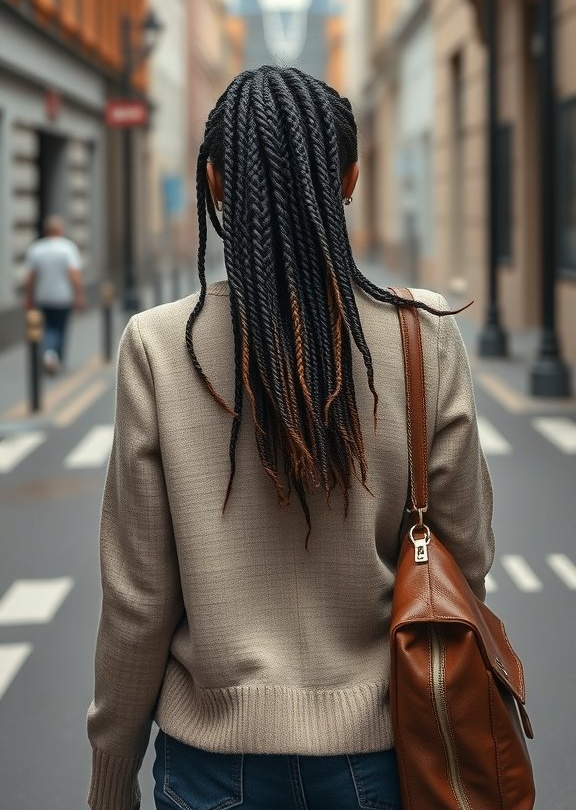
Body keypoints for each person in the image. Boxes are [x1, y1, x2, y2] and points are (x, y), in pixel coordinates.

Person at [87, 67, 494, 810]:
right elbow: (464, 554)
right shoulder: (421, 335)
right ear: (351, 180)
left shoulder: (159, 345)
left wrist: (111, 778)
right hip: (387, 752)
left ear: (215, 184)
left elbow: (138, 601)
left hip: (211, 763)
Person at [24, 214, 85, 374]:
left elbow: (30, 278)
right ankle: (53, 354)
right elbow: (74, 275)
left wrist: (29, 297)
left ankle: (50, 354)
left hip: (43, 296)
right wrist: (79, 295)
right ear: (60, 230)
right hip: (63, 297)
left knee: (48, 327)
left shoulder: (36, 248)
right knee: (60, 328)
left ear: (46, 230)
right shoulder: (68, 248)